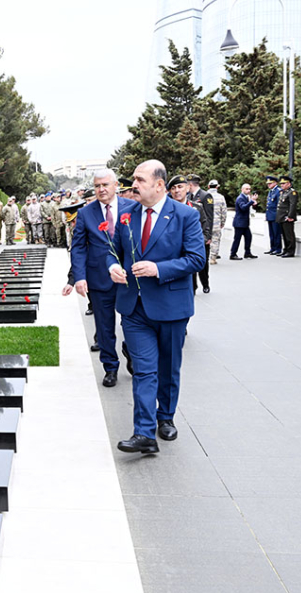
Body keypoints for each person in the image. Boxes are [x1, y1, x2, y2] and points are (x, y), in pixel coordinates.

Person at [108, 160, 205, 454]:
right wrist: (113, 266)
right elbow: (114, 252)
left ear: (159, 184)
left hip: (171, 307)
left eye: (140, 180)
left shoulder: (186, 215)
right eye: (134, 179)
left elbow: (196, 259)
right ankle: (144, 433)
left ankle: (166, 416)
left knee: (168, 368)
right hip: (134, 308)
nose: (134, 185)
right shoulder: (127, 215)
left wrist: (158, 269)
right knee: (144, 370)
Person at [65, 169, 138, 387]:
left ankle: (131, 352)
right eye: (97, 186)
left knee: (133, 322)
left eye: (105, 185)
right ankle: (110, 367)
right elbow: (78, 247)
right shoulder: (85, 213)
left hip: (128, 278)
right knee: (104, 327)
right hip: (98, 279)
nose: (101, 189)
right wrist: (79, 277)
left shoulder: (132, 208)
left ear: (116, 185)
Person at [186, 174, 213, 293]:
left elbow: (209, 217)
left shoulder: (205, 196)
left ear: (190, 185)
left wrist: (209, 235)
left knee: (203, 262)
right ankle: (194, 286)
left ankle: (205, 284)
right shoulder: (188, 196)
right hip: (192, 235)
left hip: (203, 234)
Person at [231, 183, 258, 260]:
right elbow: (243, 207)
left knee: (248, 237)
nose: (248, 190)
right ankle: (233, 254)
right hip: (239, 223)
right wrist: (251, 201)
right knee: (237, 239)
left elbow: (249, 207)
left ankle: (247, 253)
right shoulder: (240, 198)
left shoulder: (247, 197)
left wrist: (253, 202)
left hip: (245, 223)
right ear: (242, 189)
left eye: (249, 189)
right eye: (246, 189)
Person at [276, 176, 298, 258]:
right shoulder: (283, 192)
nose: (282, 185)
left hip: (287, 217)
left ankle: (290, 251)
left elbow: (293, 205)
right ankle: (285, 250)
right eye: (281, 183)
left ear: (289, 184)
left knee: (289, 235)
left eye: (283, 183)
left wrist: (290, 216)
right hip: (282, 217)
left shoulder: (292, 192)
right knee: (284, 235)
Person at [206, 179, 227, 264]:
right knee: (215, 240)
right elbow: (224, 211)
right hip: (216, 223)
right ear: (217, 187)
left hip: (206, 223)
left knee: (205, 240)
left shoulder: (204, 196)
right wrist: (222, 222)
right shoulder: (221, 197)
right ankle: (213, 258)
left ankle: (205, 257)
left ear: (208, 186)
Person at [264, 175, 283, 254]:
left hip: (275, 216)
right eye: (268, 183)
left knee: (276, 233)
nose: (268, 185)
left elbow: (279, 204)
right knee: (271, 233)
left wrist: (279, 216)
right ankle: (273, 248)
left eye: (270, 183)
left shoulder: (278, 191)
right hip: (270, 215)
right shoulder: (271, 191)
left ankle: (278, 249)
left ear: (275, 183)